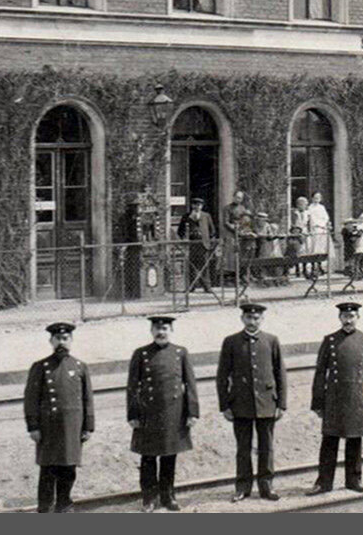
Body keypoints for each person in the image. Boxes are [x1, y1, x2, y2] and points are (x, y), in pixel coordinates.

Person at [307, 302, 363, 495]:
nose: (348, 320)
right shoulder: (330, 340)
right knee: (329, 441)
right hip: (334, 399)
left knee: (354, 440)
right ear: (339, 318)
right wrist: (317, 402)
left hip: (357, 399)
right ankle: (324, 483)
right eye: (345, 317)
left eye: (352, 316)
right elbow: (320, 373)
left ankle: (354, 481)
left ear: (358, 318)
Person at [127, 315, 199, 512]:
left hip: (173, 412)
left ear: (171, 330)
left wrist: (192, 412)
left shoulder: (180, 353)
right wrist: (133, 414)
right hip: (148, 413)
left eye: (165, 328)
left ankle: (168, 496)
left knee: (169, 456)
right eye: (157, 329)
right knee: (148, 457)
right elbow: (132, 387)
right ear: (151, 331)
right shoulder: (141, 354)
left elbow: (190, 384)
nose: (161, 332)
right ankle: (149, 498)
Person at [216, 302, 287, 501]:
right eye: (248, 317)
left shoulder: (271, 340)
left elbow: (280, 373)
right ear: (242, 318)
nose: (252, 322)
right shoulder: (231, 342)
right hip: (240, 404)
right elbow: (222, 376)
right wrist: (225, 405)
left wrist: (281, 404)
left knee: (267, 447)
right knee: (243, 448)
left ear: (262, 319)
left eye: (256, 318)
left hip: (267, 403)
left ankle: (267, 486)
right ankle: (242, 487)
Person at [24, 322, 94, 513]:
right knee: (48, 469)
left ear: (71, 340)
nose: (61, 342)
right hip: (48, 426)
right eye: (57, 339)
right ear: (51, 341)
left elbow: (87, 398)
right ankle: (45, 508)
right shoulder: (40, 367)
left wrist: (88, 426)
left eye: (65, 338)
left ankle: (64, 504)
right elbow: (31, 399)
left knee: (69, 468)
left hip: (72, 426)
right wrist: (33, 426)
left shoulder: (80, 367)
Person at [177, 198, 218, 294]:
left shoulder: (206, 216)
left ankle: (207, 287)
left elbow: (212, 230)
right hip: (192, 245)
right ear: (192, 206)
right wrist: (185, 238)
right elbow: (180, 231)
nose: (197, 207)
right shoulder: (186, 217)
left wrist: (209, 240)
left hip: (204, 245)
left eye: (199, 205)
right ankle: (191, 287)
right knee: (191, 266)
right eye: (195, 205)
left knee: (205, 267)